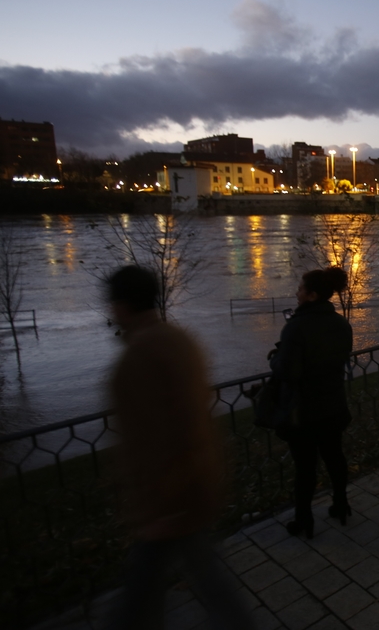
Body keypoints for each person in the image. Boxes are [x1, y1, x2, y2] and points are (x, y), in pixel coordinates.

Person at [106, 266, 252, 630]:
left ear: (121, 305)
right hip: (192, 488)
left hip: (167, 501)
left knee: (142, 595)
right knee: (204, 578)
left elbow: (154, 437)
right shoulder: (180, 340)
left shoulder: (139, 357)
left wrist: (158, 506)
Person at [270, 267, 354, 537]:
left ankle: (303, 520)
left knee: (305, 467)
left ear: (312, 295)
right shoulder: (342, 324)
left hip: (304, 411)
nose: (297, 292)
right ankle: (341, 504)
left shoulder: (295, 327)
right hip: (333, 405)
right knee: (335, 457)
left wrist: (275, 357)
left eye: (301, 288)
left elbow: (288, 371)